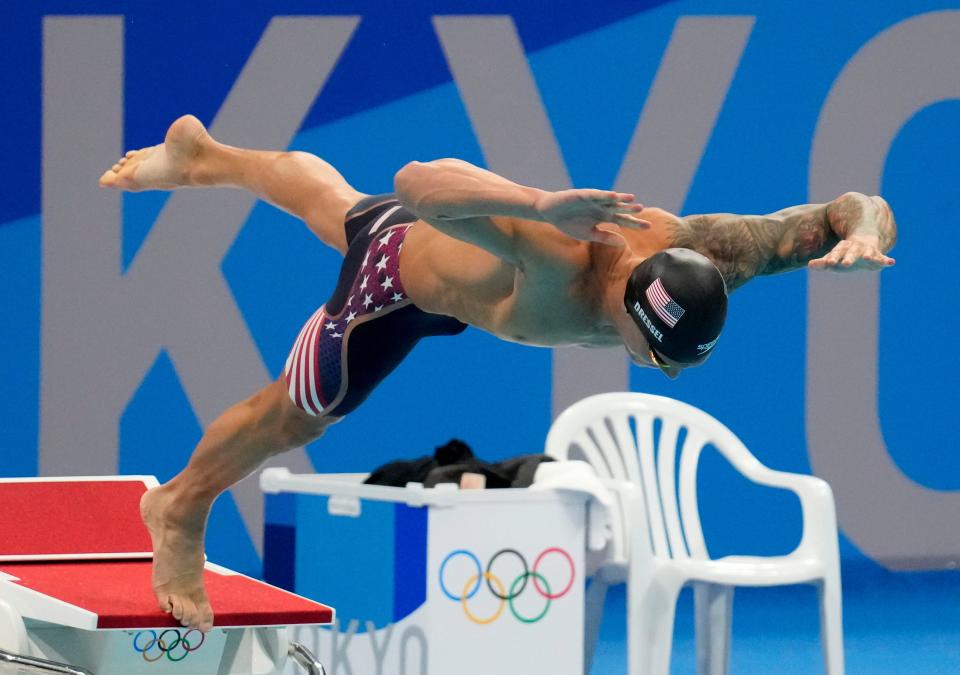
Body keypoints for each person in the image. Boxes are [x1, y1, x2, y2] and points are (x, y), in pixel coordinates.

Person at [98, 114, 897, 631]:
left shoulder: (711, 250)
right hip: (397, 283)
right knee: (298, 412)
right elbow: (415, 182)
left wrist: (859, 233)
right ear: (624, 305)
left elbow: (844, 206)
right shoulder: (561, 254)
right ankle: (179, 507)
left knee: (335, 201)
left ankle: (207, 155)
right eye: (647, 353)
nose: (656, 371)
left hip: (464, 284)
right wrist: (538, 202)